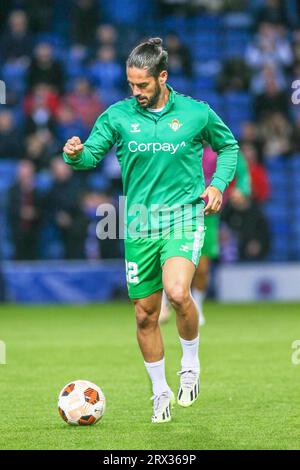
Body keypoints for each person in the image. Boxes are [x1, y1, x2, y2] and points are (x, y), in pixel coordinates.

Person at [62, 38, 238, 423]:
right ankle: (159, 393)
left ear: (162, 77)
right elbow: (91, 154)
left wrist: (216, 185)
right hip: (139, 224)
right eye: (131, 85)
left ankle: (190, 364)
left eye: (143, 84)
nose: (136, 92)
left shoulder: (196, 113)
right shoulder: (117, 116)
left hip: (183, 217)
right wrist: (74, 154)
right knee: (144, 314)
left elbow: (229, 148)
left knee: (177, 292)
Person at [160, 149, 251, 325]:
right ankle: (165, 302)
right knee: (171, 259)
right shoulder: (176, 143)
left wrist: (242, 189)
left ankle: (198, 306)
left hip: (208, 216)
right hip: (179, 212)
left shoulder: (218, 150)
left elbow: (240, 168)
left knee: (202, 268)